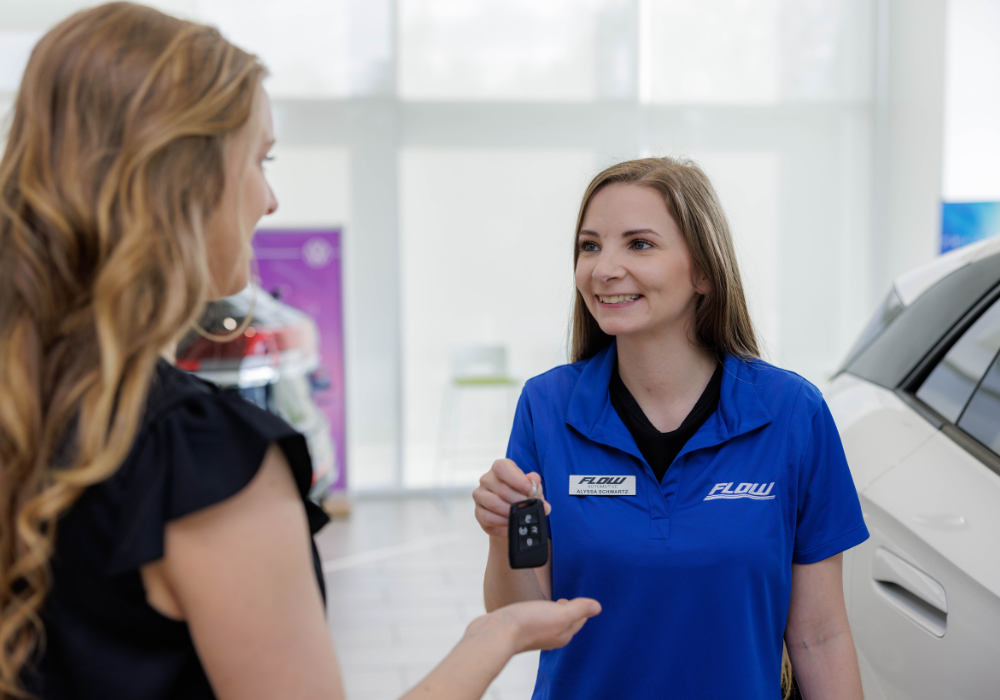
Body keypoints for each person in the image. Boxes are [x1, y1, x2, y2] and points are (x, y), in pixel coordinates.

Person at [0, 4, 600, 699]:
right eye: (260, 160)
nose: (271, 200)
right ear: (184, 182)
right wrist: (490, 641)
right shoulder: (204, 462)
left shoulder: (31, 412)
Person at [474, 157, 869, 699]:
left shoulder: (792, 413)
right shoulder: (547, 406)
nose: (604, 268)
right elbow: (524, 617)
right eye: (590, 246)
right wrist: (502, 535)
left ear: (703, 270)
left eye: (639, 244)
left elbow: (820, 636)